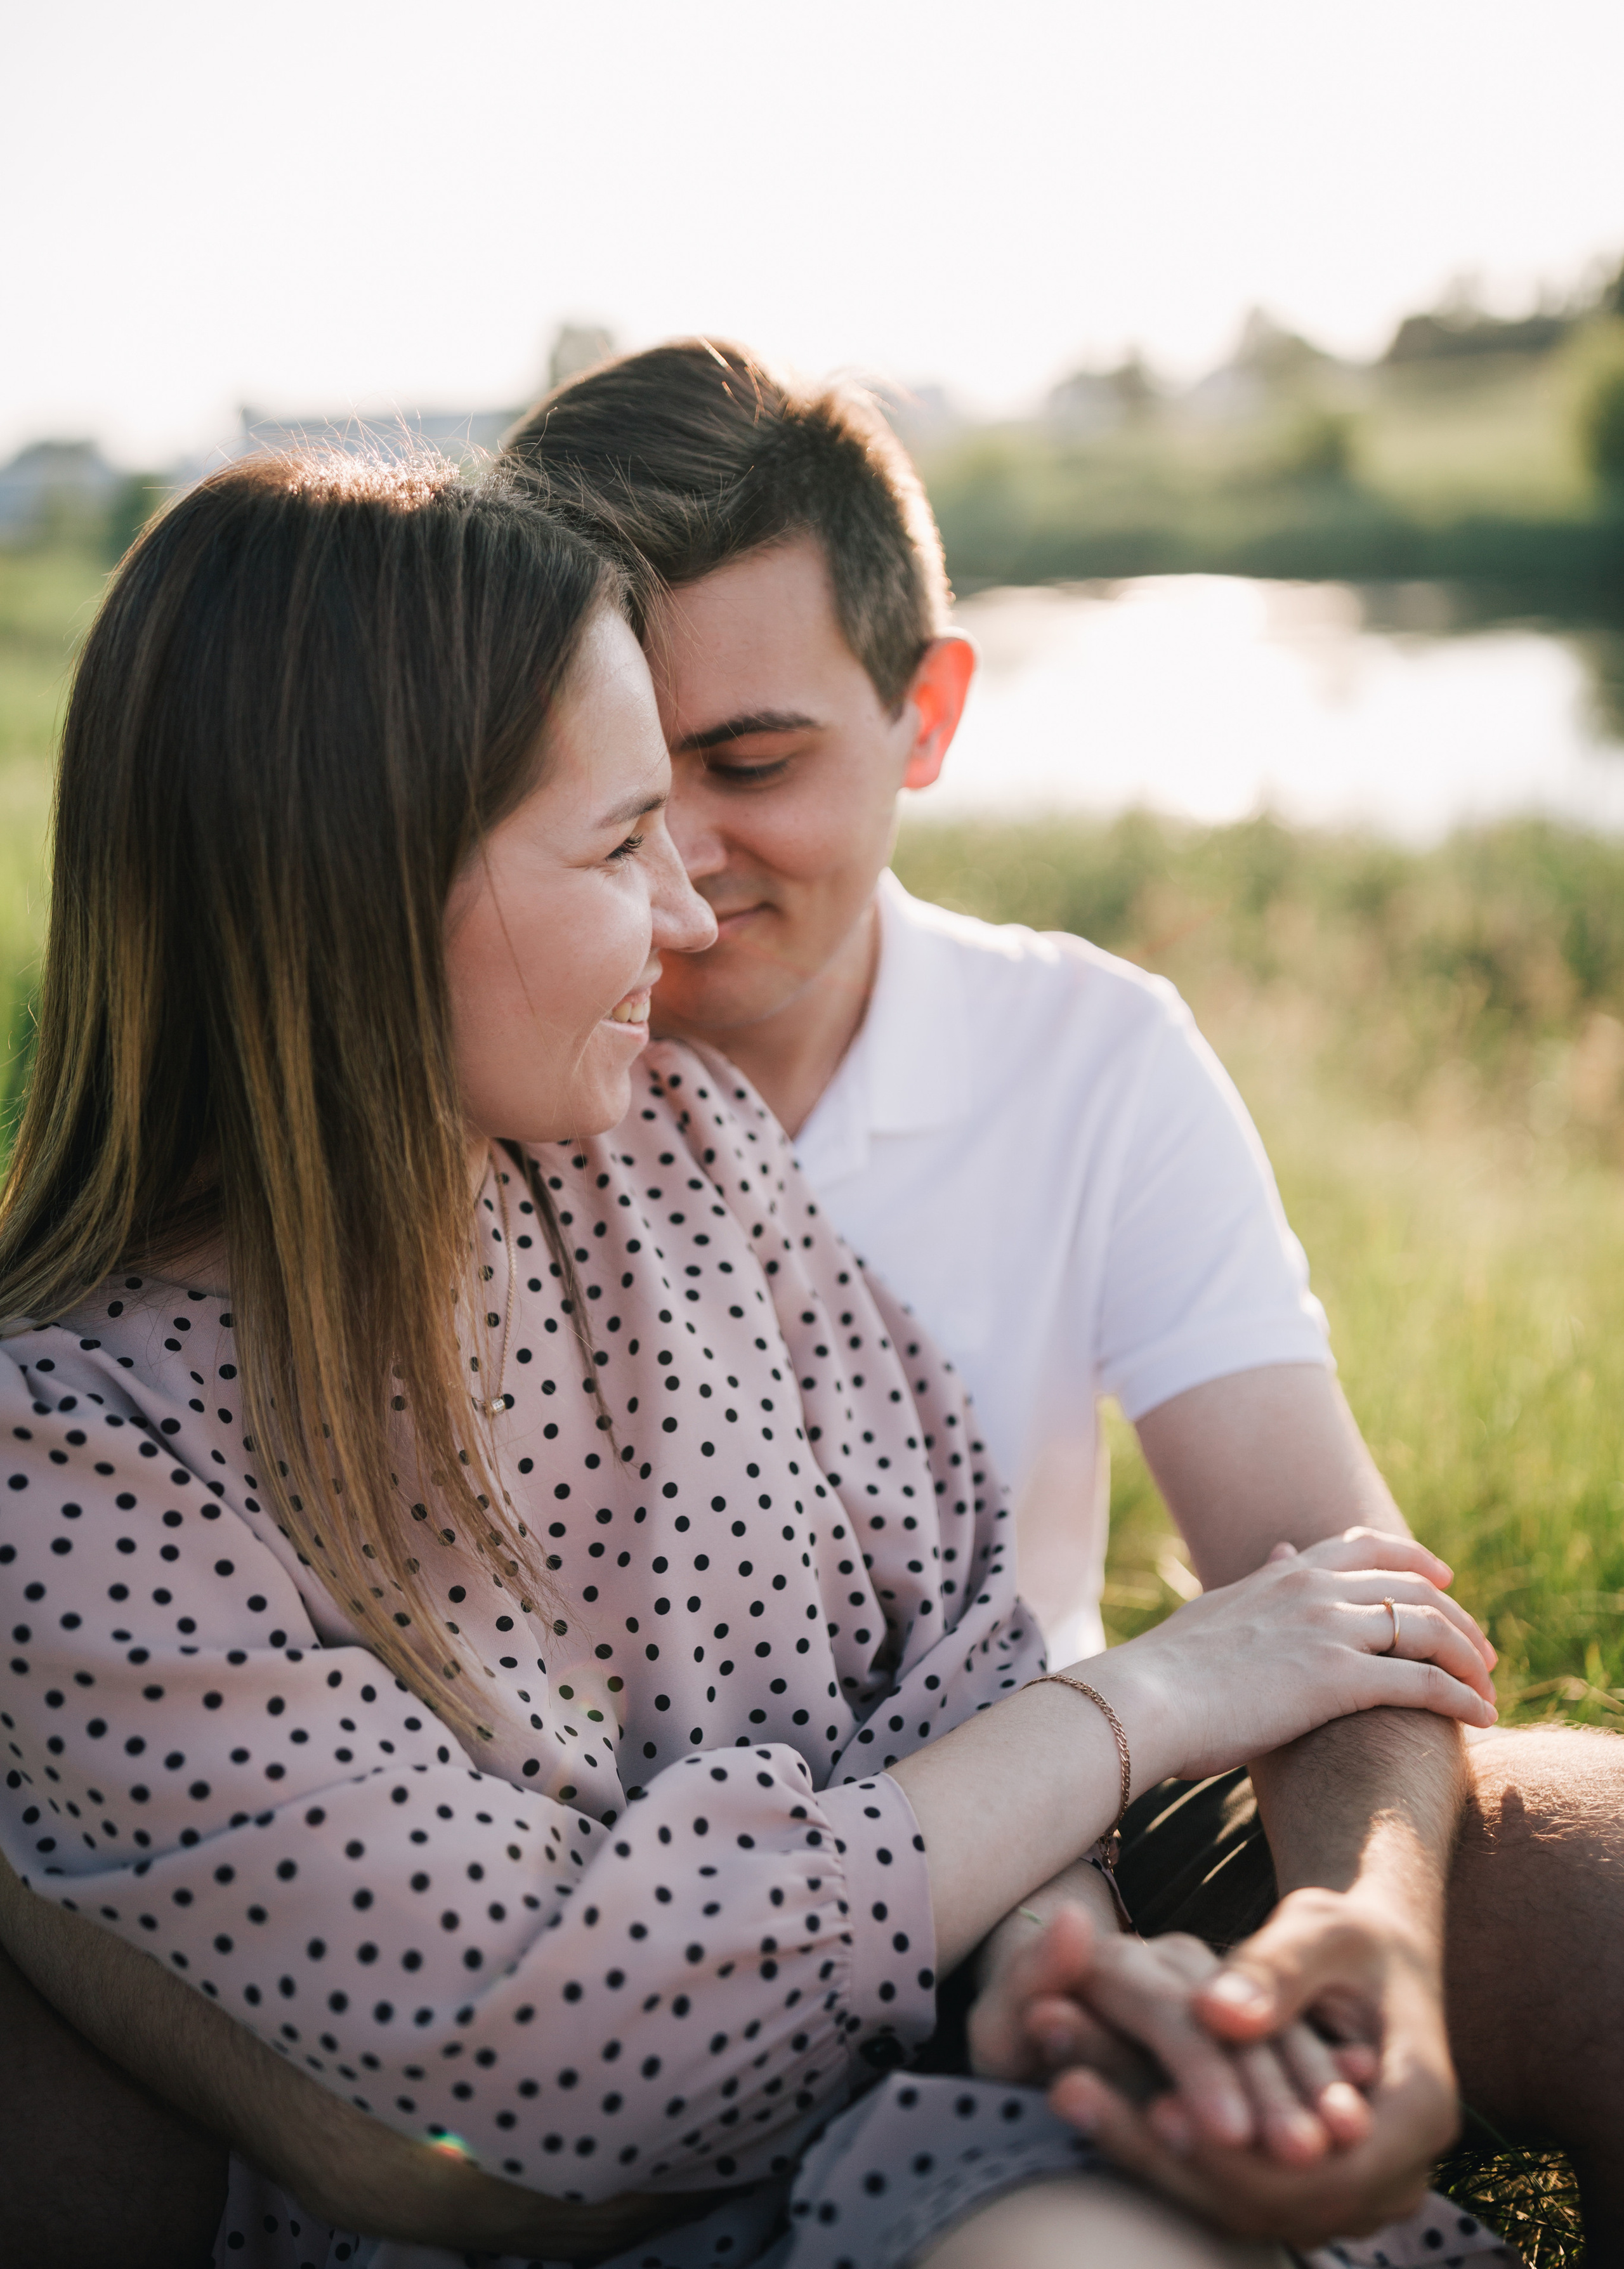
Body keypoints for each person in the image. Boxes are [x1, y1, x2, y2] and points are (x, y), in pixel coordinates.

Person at [0, 448, 1507, 2269]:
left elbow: (950, 1658)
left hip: (970, 2085)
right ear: (358, 890)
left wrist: (1063, 1969)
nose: (691, 914)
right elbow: (540, 2050)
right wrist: (1147, 1700)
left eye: (718, 791)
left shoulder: (684, 1149)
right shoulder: (75, 1457)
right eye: (619, 839)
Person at [497, 338, 1624, 2249]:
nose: (675, 860)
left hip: (1068, 1832)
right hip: (615, 1919)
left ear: (927, 714)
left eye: (751, 763)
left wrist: (1366, 1926)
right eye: (600, 777)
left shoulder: (1089, 1055)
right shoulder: (464, 1074)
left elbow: (1333, 1587)